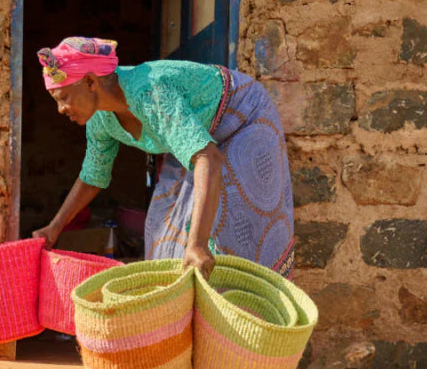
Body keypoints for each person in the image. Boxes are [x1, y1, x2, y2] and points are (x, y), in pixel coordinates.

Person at [32, 36, 294, 278]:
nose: (60, 109)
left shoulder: (152, 93)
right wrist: (55, 227)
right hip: (198, 137)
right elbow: (93, 177)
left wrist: (198, 243)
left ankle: (243, 314)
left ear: (90, 82)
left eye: (63, 97)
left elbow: (209, 160)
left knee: (227, 229)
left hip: (241, 119)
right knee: (161, 226)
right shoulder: (99, 119)